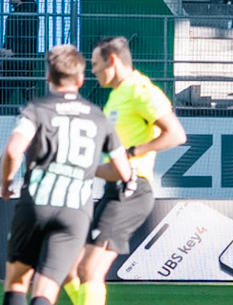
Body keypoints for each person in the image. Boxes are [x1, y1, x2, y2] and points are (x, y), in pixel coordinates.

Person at [0, 45, 131, 305]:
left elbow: (13, 151)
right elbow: (122, 170)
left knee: (17, 283)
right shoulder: (98, 117)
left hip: (36, 203)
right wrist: (85, 170)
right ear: (81, 79)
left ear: (48, 76)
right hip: (76, 211)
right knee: (46, 289)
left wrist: (6, 183)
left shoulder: (36, 109)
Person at [63, 37, 187, 305]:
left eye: (95, 64)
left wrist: (133, 151)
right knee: (70, 269)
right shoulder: (116, 96)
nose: (93, 71)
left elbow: (176, 135)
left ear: (112, 60)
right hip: (115, 187)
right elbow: (112, 164)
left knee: (90, 270)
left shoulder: (141, 90)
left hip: (131, 190)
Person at [1, 0, 41, 105]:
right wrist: (4, 51)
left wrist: (12, 51)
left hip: (22, 59)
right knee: (22, 87)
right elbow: (10, 36)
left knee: (10, 87)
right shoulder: (21, 13)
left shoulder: (28, 15)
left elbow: (29, 38)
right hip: (19, 59)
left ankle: (1, 110)